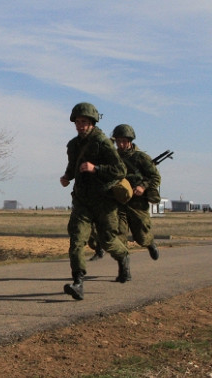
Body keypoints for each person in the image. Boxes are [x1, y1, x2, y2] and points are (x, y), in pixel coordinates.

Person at [60, 102, 130, 300]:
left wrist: (96, 169)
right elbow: (72, 166)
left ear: (92, 122)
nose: (80, 125)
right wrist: (66, 177)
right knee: (76, 240)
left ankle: (123, 257)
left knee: (107, 240)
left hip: (103, 200)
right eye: (78, 122)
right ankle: (78, 282)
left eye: (84, 122)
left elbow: (120, 171)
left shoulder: (103, 142)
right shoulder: (73, 145)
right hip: (82, 200)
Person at [112, 124, 161, 270]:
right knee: (119, 236)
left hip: (137, 203)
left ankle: (150, 243)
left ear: (130, 141)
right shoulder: (113, 157)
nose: (120, 144)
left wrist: (143, 186)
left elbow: (155, 177)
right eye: (118, 141)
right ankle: (124, 270)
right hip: (119, 202)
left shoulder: (141, 158)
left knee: (141, 237)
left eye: (123, 141)